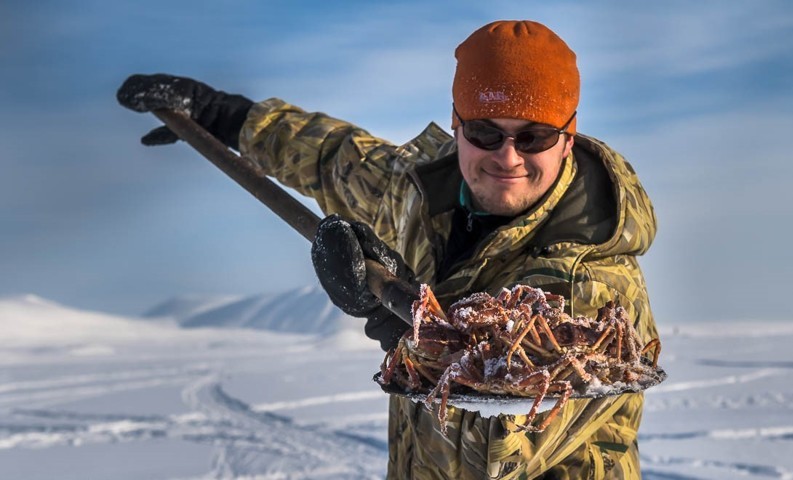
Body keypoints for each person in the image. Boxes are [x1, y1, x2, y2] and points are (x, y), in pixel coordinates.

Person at [118, 20, 659, 479]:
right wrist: (225, 117)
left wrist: (417, 339)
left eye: (534, 136)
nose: (508, 157)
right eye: (485, 132)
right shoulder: (420, 192)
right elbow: (334, 158)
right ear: (456, 125)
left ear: (569, 134)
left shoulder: (591, 288)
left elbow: (491, 459)